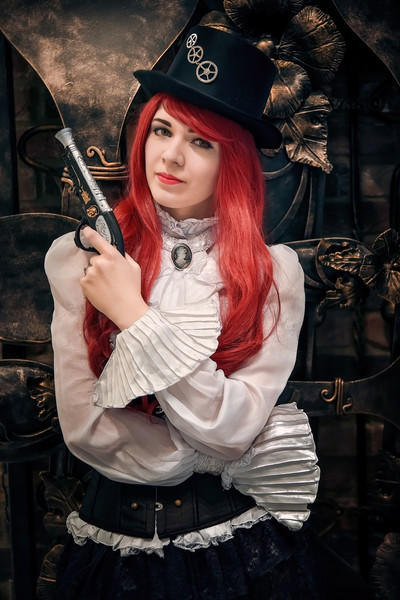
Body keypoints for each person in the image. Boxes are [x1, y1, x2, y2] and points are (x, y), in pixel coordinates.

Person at [45, 24, 322, 600]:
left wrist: (135, 316)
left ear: (233, 161)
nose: (170, 156)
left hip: (235, 548)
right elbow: (87, 433)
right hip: (111, 545)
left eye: (202, 142)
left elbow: (234, 431)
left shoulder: (274, 275)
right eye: (162, 130)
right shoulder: (80, 260)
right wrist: (207, 442)